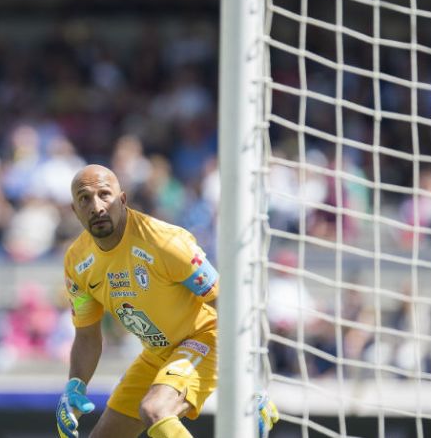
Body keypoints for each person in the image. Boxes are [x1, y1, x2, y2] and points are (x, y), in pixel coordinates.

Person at [55, 165, 278, 438]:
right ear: (74, 209)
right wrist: (75, 386)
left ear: (122, 200)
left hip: (207, 337)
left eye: (105, 195)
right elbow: (87, 335)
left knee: (155, 410)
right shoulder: (76, 262)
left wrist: (248, 381)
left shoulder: (164, 243)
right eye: (84, 199)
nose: (97, 206)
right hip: (157, 353)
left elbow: (228, 304)